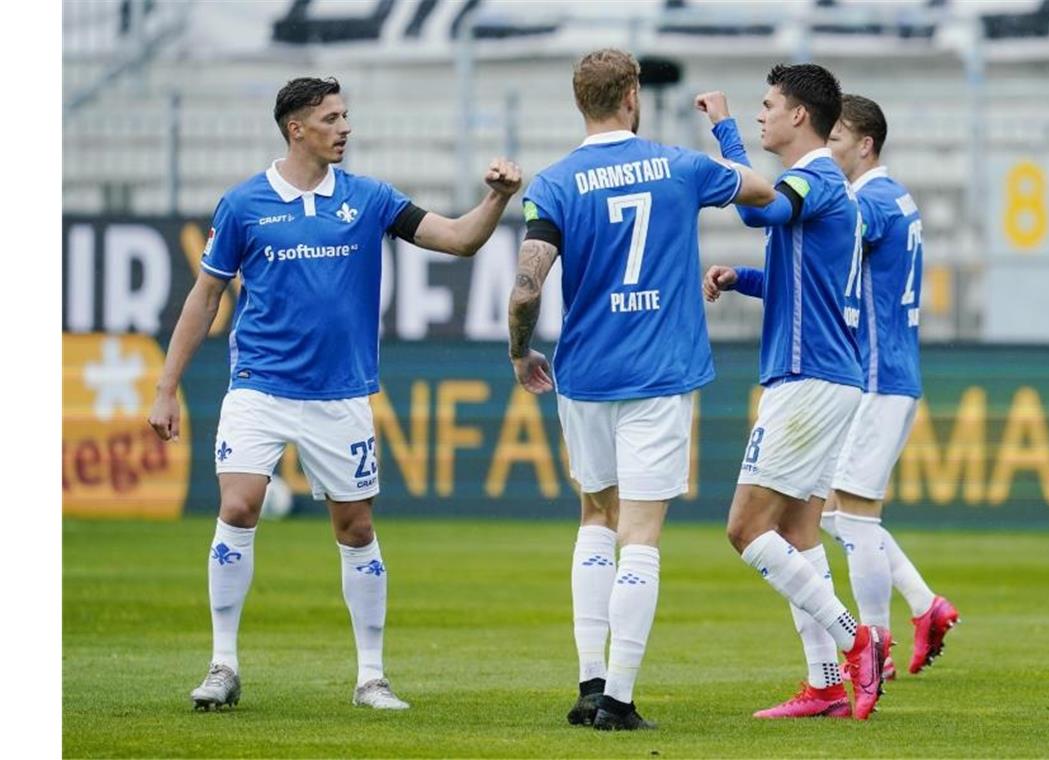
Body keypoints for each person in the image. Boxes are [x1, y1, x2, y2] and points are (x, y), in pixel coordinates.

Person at [147, 76, 521, 712]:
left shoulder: (369, 198)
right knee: (238, 507)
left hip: (339, 394)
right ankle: (222, 664)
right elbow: (204, 296)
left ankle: (371, 676)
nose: (345, 128)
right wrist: (166, 388)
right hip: (259, 385)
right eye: (331, 118)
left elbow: (457, 240)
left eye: (346, 116)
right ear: (297, 128)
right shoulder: (242, 206)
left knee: (356, 526)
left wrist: (497, 200)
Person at [505, 48, 779, 731]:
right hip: (658, 374)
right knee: (642, 535)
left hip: (586, 375)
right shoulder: (677, 167)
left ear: (580, 103)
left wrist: (519, 352)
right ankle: (619, 701)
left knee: (595, 517)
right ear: (632, 95)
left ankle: (588, 682)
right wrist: (723, 128)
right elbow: (763, 188)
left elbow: (526, 286)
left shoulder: (557, 181)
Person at [696, 64, 888, 721]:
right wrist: (742, 280)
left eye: (767, 105)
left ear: (799, 116)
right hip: (827, 377)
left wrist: (722, 129)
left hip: (807, 382)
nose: (760, 115)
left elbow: (762, 211)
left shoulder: (815, 176)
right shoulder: (827, 186)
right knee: (799, 533)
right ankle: (827, 682)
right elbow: (798, 276)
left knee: (745, 528)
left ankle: (855, 641)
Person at [819, 94, 959, 677]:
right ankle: (925, 607)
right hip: (891, 371)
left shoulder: (867, 201)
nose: (827, 150)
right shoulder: (897, 194)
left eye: (834, 140)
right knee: (832, 510)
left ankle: (874, 645)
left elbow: (823, 257)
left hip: (877, 376)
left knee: (852, 517)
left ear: (864, 144)